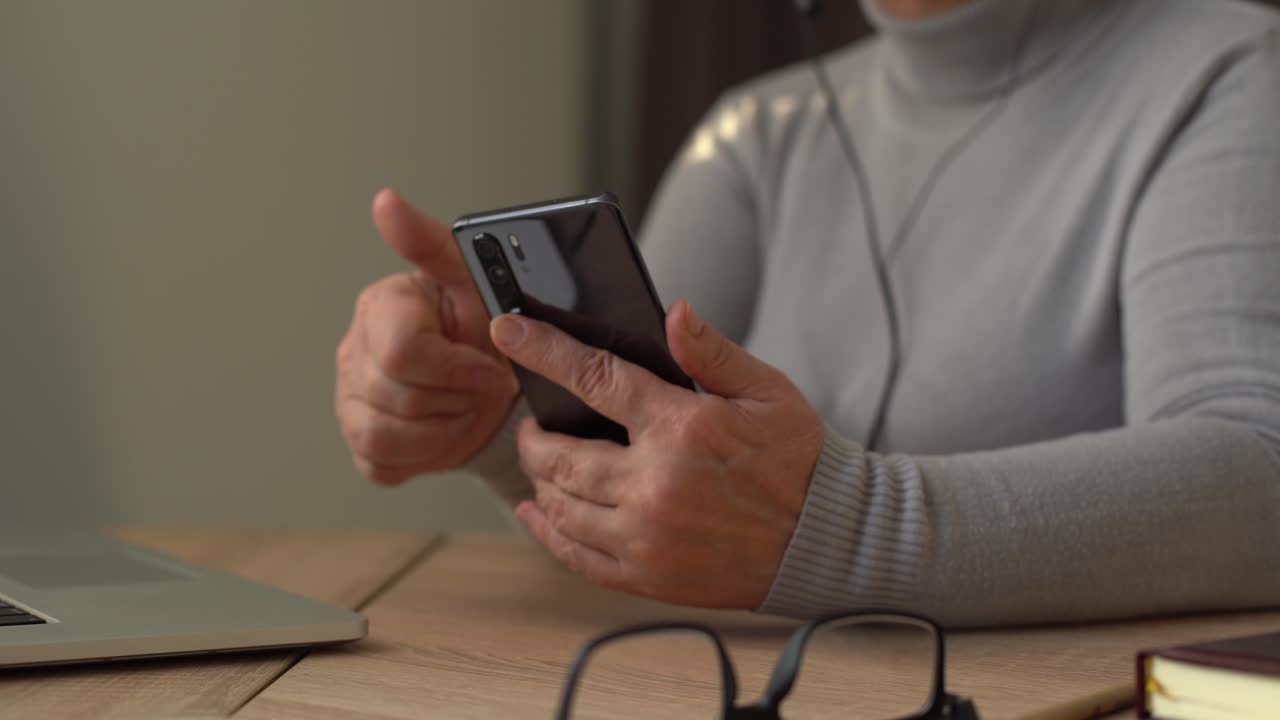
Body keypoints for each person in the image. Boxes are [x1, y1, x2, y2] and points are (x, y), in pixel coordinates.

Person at [334, 0, 1280, 627]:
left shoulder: (1229, 70)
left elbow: (1259, 472)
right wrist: (498, 408)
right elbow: (648, 481)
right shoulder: (758, 135)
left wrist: (855, 526)